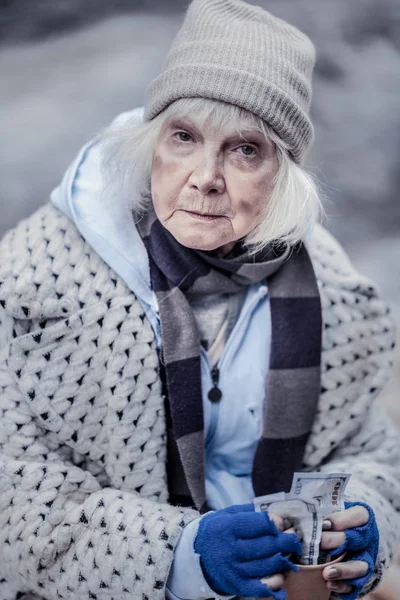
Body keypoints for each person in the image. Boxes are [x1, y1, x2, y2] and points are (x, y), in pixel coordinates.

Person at [0, 0, 399, 599]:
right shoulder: (35, 286)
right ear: (151, 143)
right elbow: (15, 491)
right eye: (184, 137)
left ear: (282, 173)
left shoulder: (334, 294)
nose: (205, 176)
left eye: (244, 149)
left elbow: (372, 456)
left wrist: (368, 525)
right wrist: (178, 556)